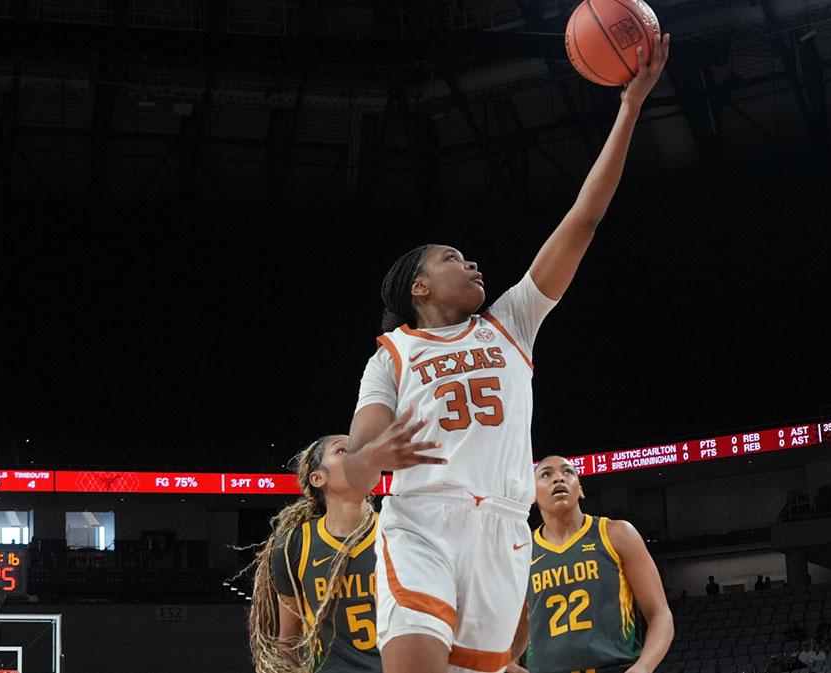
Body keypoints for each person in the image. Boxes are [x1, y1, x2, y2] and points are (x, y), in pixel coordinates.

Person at [343, 33, 671, 673]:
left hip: (502, 527)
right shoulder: (391, 354)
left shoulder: (511, 322)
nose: (471, 263)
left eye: (469, 257)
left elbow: (584, 218)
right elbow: (355, 471)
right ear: (419, 286)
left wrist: (629, 107)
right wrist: (374, 458)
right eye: (451, 259)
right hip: (420, 521)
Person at [515, 456, 673, 673]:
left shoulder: (617, 534)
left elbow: (660, 613)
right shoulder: (521, 551)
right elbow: (515, 634)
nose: (558, 478)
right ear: (532, 494)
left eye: (567, 472)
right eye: (546, 474)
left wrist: (644, 666)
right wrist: (506, 666)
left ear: (580, 489)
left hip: (614, 667)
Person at [248, 435, 380, 672]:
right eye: (342, 450)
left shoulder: (397, 533)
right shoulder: (293, 546)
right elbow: (288, 641)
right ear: (318, 478)